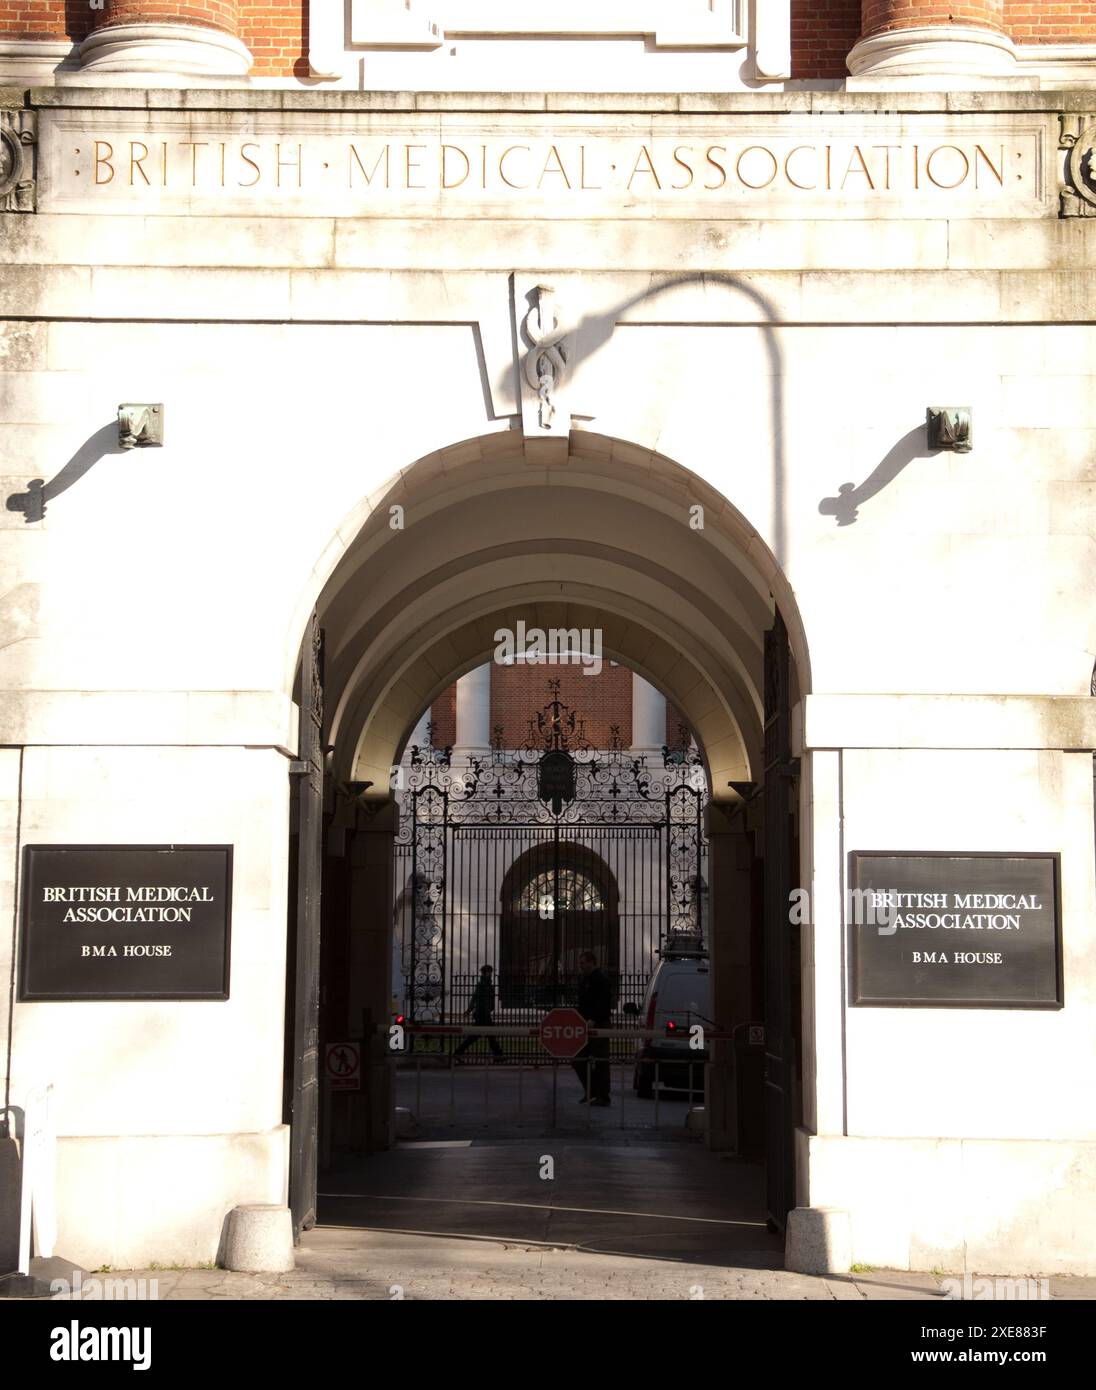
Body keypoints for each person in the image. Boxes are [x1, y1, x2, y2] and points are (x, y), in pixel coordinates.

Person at [573, 951, 612, 1105]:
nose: (580, 966)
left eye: (582, 963)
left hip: (598, 1024)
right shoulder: (584, 979)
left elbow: (603, 1002)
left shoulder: (600, 979)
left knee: (601, 1060)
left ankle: (602, 1095)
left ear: (591, 962)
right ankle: (592, 1091)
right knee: (578, 1060)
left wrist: (594, 1019)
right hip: (584, 1023)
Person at [454, 964, 503, 1061]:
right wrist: (469, 1010)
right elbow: (475, 998)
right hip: (481, 1014)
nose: (490, 974)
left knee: (481, 1036)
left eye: (490, 972)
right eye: (489, 972)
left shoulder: (488, 985)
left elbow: (490, 999)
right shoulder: (481, 985)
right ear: (485, 973)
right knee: (485, 1035)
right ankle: (498, 1056)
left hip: (485, 1013)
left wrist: (491, 1007)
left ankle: (458, 1053)